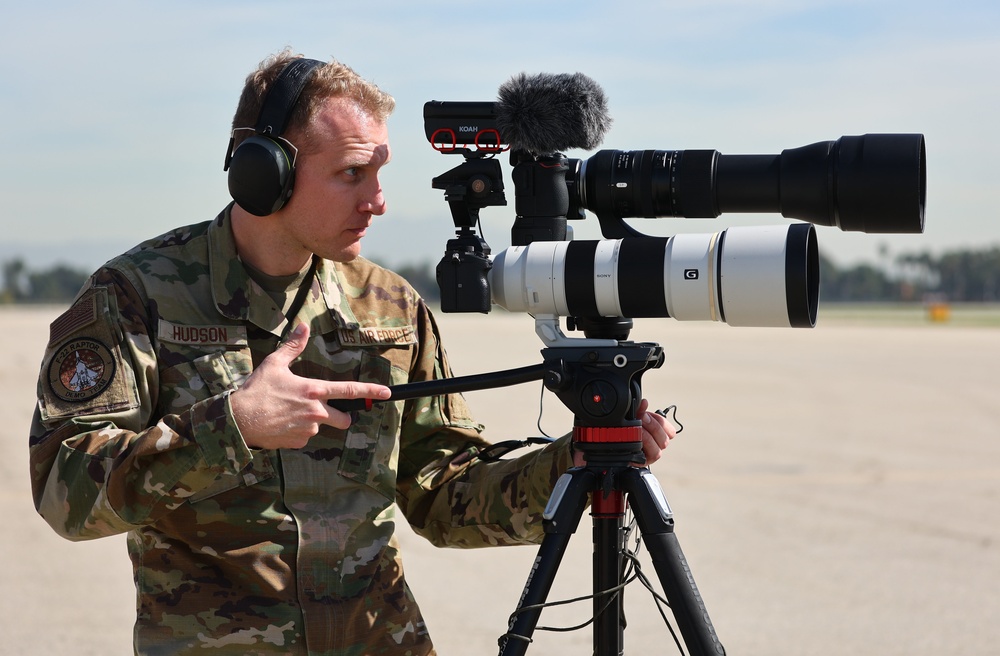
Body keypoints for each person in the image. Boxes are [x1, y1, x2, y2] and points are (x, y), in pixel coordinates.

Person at [28, 50, 674, 655]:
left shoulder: (389, 308)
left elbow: (444, 494)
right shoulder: (136, 296)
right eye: (350, 174)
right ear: (266, 176)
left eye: (379, 171)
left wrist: (575, 462)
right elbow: (65, 493)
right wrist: (233, 429)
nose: (378, 201)